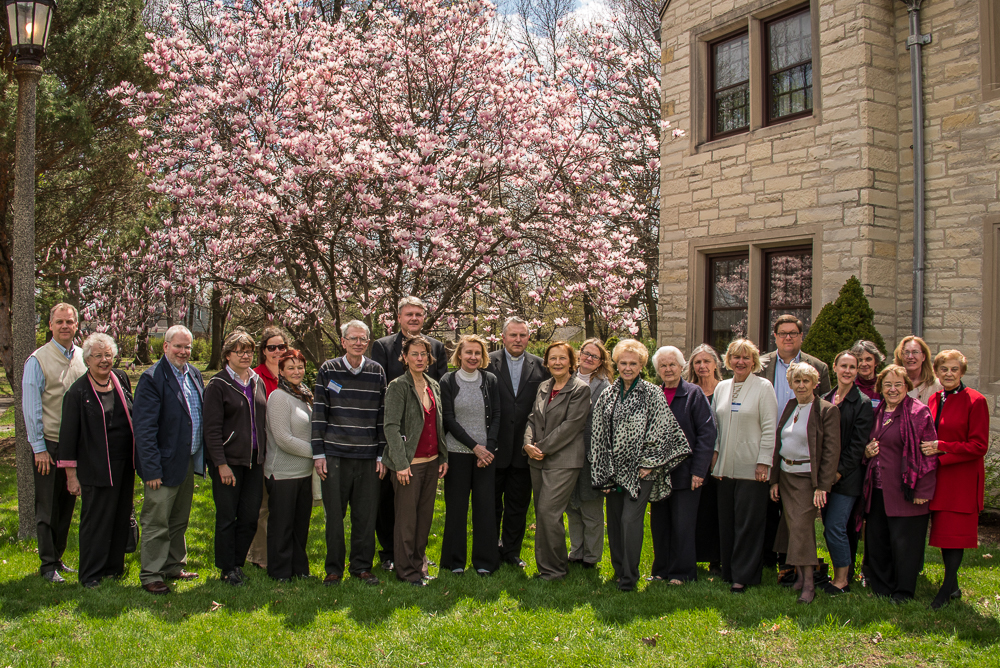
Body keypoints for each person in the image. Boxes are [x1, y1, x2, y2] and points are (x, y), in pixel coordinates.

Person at [590, 339, 690, 592]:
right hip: (612, 472)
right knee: (613, 522)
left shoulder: (652, 393)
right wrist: (602, 474)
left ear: (642, 365)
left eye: (633, 363)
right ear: (616, 363)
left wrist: (649, 464)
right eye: (623, 362)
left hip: (641, 472)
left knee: (629, 520)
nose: (627, 367)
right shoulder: (608, 395)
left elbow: (663, 430)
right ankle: (618, 569)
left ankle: (630, 577)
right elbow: (598, 436)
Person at [370, 296, 448, 572]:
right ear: (399, 317)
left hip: (428, 447)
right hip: (400, 445)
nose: (414, 318)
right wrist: (395, 455)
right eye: (409, 314)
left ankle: (416, 557)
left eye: (418, 314)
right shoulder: (382, 348)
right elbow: (385, 407)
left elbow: (440, 404)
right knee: (395, 508)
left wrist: (442, 453)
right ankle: (394, 555)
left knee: (422, 513)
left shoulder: (435, 353)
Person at [56, 333, 134, 588]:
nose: (104, 360)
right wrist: (71, 476)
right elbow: (67, 438)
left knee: (120, 515)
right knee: (96, 521)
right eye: (97, 356)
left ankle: (113, 568)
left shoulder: (120, 379)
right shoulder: (77, 393)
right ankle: (91, 574)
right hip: (95, 467)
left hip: (124, 464)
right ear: (87, 359)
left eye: (108, 355)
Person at [312, 320, 386, 586]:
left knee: (365, 516)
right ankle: (333, 569)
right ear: (342, 341)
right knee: (334, 516)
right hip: (335, 455)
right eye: (353, 338)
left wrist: (381, 455)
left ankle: (361, 566)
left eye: (363, 338)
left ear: (368, 342)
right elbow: (319, 412)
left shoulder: (377, 371)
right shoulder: (328, 369)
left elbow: (381, 416)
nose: (358, 343)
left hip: (368, 457)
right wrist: (318, 454)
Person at [133, 324, 205, 595]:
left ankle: (174, 564)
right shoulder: (152, 378)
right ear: (165, 347)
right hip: (161, 465)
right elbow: (144, 430)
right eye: (178, 346)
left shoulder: (194, 374)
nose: (183, 351)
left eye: (187, 347)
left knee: (178, 519)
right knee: (156, 520)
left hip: (186, 460)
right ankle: (152, 572)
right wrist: (151, 469)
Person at [758, 315, 830, 575]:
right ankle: (767, 557)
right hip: (768, 442)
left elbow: (823, 410)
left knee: (796, 512)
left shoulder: (818, 367)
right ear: (775, 337)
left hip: (800, 446)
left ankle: (792, 561)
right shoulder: (761, 364)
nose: (788, 337)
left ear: (801, 337)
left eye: (793, 333)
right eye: (782, 333)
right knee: (769, 503)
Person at [861, 364, 938, 602]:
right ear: (880, 388)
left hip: (907, 489)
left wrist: (923, 489)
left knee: (905, 544)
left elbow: (929, 454)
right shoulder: (877, 412)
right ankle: (882, 586)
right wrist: (867, 451)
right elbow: (868, 444)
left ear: (907, 386)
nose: (892, 389)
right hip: (878, 489)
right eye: (887, 385)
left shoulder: (918, 412)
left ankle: (903, 591)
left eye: (898, 384)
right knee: (878, 539)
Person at [21, 303, 86, 583]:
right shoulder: (38, 360)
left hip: (76, 446)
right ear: (50, 325)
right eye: (59, 322)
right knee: (47, 506)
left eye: (69, 322)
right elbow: (31, 407)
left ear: (76, 325)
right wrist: (39, 449)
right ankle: (47, 565)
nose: (64, 326)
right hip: (49, 444)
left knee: (67, 502)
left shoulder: (83, 357)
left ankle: (58, 557)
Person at [921, 350, 990, 609]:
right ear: (937, 372)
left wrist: (942, 447)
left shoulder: (976, 400)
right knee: (944, 535)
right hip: (938, 476)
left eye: (954, 369)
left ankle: (945, 590)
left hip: (960, 478)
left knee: (955, 535)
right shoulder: (935, 398)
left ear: (962, 372)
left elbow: (979, 445)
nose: (948, 374)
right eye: (944, 370)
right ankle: (954, 586)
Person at [768, 363, 841, 604]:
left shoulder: (826, 410)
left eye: (806, 381)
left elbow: (831, 451)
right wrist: (775, 480)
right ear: (790, 384)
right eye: (796, 381)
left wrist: (823, 485)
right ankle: (799, 577)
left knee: (801, 529)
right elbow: (780, 444)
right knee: (791, 528)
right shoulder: (791, 406)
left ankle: (809, 585)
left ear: (815, 383)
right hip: (787, 476)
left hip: (807, 479)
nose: (801, 385)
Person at [712, 338, 778, 593]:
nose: (740, 362)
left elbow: (770, 427)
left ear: (754, 362)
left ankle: (745, 574)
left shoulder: (764, 387)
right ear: (728, 361)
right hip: (725, 466)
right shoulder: (722, 388)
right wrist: (715, 456)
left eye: (746, 357)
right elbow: (715, 426)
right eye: (736, 357)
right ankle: (729, 570)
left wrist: (764, 462)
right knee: (727, 521)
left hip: (753, 467)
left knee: (748, 523)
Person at [382, 335, 449, 586]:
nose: (419, 358)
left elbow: (437, 424)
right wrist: (400, 463)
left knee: (424, 519)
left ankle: (419, 565)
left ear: (429, 358)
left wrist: (442, 456)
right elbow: (390, 427)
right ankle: (406, 571)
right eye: (414, 354)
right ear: (405, 357)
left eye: (424, 354)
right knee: (407, 522)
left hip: (432, 463)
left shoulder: (433, 384)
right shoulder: (398, 386)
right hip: (409, 465)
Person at [203, 330, 268, 586]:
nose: (245, 355)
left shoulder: (256, 381)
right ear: (227, 355)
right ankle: (226, 567)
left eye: (249, 350)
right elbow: (211, 429)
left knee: (250, 516)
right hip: (228, 462)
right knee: (227, 517)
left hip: (254, 460)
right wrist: (220, 464)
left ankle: (238, 564)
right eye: (239, 351)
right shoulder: (218, 385)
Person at [523, 341, 591, 581]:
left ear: (571, 362)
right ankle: (548, 566)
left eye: (562, 358)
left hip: (563, 460)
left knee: (548, 512)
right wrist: (527, 444)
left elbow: (571, 427)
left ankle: (554, 570)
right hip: (537, 459)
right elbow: (532, 418)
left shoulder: (580, 389)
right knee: (543, 515)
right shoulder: (544, 386)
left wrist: (540, 448)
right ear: (547, 362)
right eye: (553, 358)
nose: (558, 363)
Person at [649, 346, 716, 584]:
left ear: (681, 367)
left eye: (672, 364)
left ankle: (682, 572)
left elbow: (707, 434)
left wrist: (699, 470)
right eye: (663, 366)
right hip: (658, 475)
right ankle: (661, 570)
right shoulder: (654, 394)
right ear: (658, 370)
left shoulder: (693, 394)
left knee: (682, 525)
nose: (668, 369)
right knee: (660, 524)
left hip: (687, 474)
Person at [486, 316, 550, 568]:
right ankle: (490, 549)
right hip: (494, 447)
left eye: (522, 335)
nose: (518, 340)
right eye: (513, 335)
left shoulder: (540, 366)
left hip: (525, 448)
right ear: (503, 337)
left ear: (528, 338)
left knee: (518, 504)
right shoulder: (487, 361)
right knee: (491, 503)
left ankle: (511, 551)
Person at [440, 335, 501, 576]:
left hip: (486, 456)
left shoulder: (490, 380)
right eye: (468, 352)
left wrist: (489, 448)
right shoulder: (448, 380)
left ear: (483, 356)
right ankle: (454, 562)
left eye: (477, 353)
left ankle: (485, 561)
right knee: (456, 508)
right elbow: (448, 419)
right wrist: (474, 446)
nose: (473, 357)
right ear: (459, 355)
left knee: (485, 508)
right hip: (457, 453)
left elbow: (496, 414)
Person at [820, 350, 874, 594]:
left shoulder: (862, 403)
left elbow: (858, 446)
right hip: (823, 477)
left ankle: (842, 580)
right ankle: (837, 571)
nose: (848, 371)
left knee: (835, 526)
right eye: (844, 366)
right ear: (835, 367)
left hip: (847, 478)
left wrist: (838, 472)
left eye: (853, 367)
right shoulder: (824, 398)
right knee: (829, 527)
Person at [263, 348, 314, 582]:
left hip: (303, 473)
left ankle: (299, 569)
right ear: (281, 371)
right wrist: (318, 454)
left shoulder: (303, 395)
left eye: (300, 367)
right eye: (290, 367)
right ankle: (280, 571)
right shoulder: (278, 397)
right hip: (282, 472)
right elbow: (283, 439)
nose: (297, 371)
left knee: (300, 525)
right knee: (282, 525)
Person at [246, 326, 291, 570]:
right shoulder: (255, 377)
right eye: (271, 347)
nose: (276, 351)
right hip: (263, 449)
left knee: (281, 507)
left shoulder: (290, 374)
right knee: (262, 506)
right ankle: (260, 556)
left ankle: (281, 550)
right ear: (263, 351)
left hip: (286, 451)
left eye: (281, 347)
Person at [567, 338, 612, 570]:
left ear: (600, 362)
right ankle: (576, 551)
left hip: (592, 454)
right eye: (586, 353)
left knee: (591, 506)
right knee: (572, 506)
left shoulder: (605, 387)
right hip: (566, 452)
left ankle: (592, 556)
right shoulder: (566, 378)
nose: (588, 358)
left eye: (594, 356)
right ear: (579, 353)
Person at [684, 343, 724, 572]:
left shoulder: (725, 389)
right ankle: (696, 553)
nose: (702, 366)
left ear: (715, 364)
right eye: (697, 362)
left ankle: (716, 558)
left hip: (719, 460)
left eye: (706, 361)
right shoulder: (689, 391)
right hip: (696, 460)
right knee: (698, 510)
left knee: (716, 509)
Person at [893, 335, 941, 404]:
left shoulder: (937, 386)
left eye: (915, 352)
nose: (910, 357)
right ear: (900, 356)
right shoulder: (892, 384)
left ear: (923, 356)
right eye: (906, 352)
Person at [851, 339, 885, 405]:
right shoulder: (849, 386)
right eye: (860, 360)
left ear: (876, 362)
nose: (864, 364)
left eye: (868, 359)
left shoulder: (884, 384)